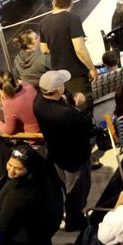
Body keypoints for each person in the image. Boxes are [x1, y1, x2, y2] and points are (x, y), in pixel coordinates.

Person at [32, 69, 96, 233]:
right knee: (77, 189)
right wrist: (79, 106)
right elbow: (87, 125)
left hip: (57, 152)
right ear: (58, 90)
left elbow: (59, 105)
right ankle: (74, 219)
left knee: (66, 183)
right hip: (74, 157)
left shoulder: (38, 102)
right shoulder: (66, 114)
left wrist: (70, 100)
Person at [0, 146, 64, 245]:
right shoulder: (42, 174)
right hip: (42, 231)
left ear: (29, 169)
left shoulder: (20, 193)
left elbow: (3, 225)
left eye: (18, 168)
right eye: (10, 165)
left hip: (28, 238)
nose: (11, 171)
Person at [39, 0, 97, 105]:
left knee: (67, 104)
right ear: (71, 2)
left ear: (53, 2)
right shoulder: (72, 19)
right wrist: (91, 68)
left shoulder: (43, 23)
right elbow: (79, 49)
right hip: (75, 73)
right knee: (82, 104)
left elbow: (44, 50)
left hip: (58, 74)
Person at [0, 70, 40, 135]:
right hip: (46, 126)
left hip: (36, 137)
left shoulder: (8, 104)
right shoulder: (28, 86)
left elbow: (9, 131)